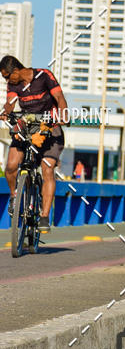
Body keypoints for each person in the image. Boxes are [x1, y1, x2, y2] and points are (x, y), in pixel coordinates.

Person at [0, 56, 70, 233]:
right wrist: (5, 112)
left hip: (50, 128)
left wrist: (63, 114)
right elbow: (10, 103)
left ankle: (44, 217)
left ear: (16, 70)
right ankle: (14, 196)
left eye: (7, 77)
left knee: (47, 169)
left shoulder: (44, 76)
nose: (7, 81)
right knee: (11, 166)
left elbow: (59, 97)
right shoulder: (14, 85)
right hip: (28, 127)